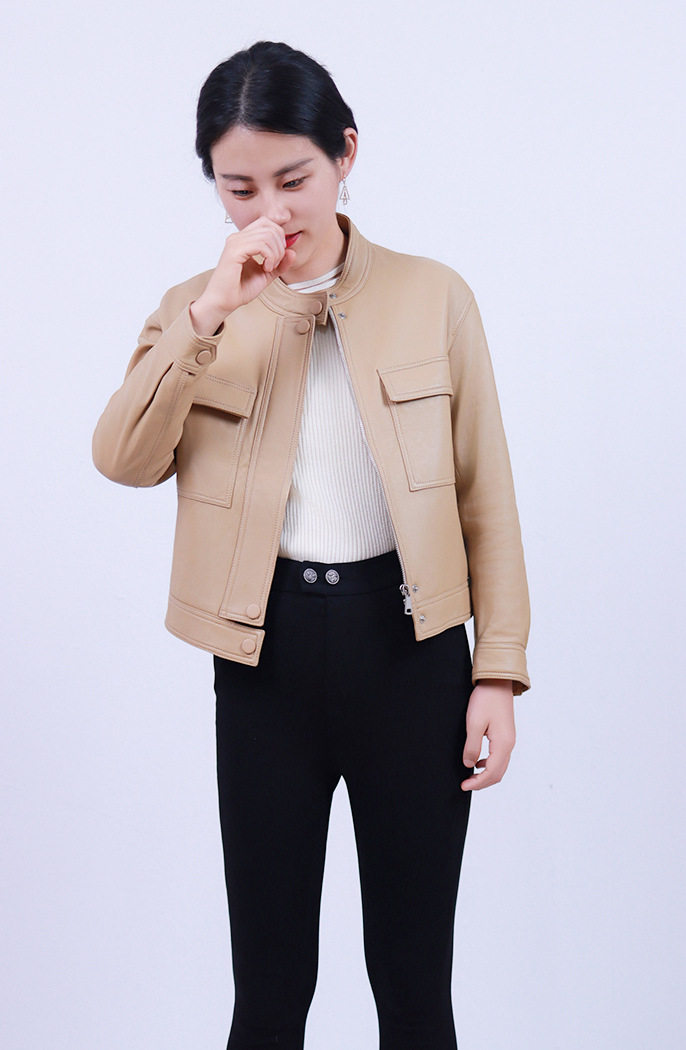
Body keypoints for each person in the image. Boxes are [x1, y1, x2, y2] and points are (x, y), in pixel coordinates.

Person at [92, 40, 530, 1050]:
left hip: (413, 654)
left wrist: (498, 672)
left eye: (293, 180)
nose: (270, 212)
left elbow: (488, 495)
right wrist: (211, 312)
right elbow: (122, 458)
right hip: (265, 659)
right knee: (269, 989)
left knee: (414, 989)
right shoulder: (195, 310)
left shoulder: (435, 296)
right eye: (239, 188)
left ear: (345, 154)